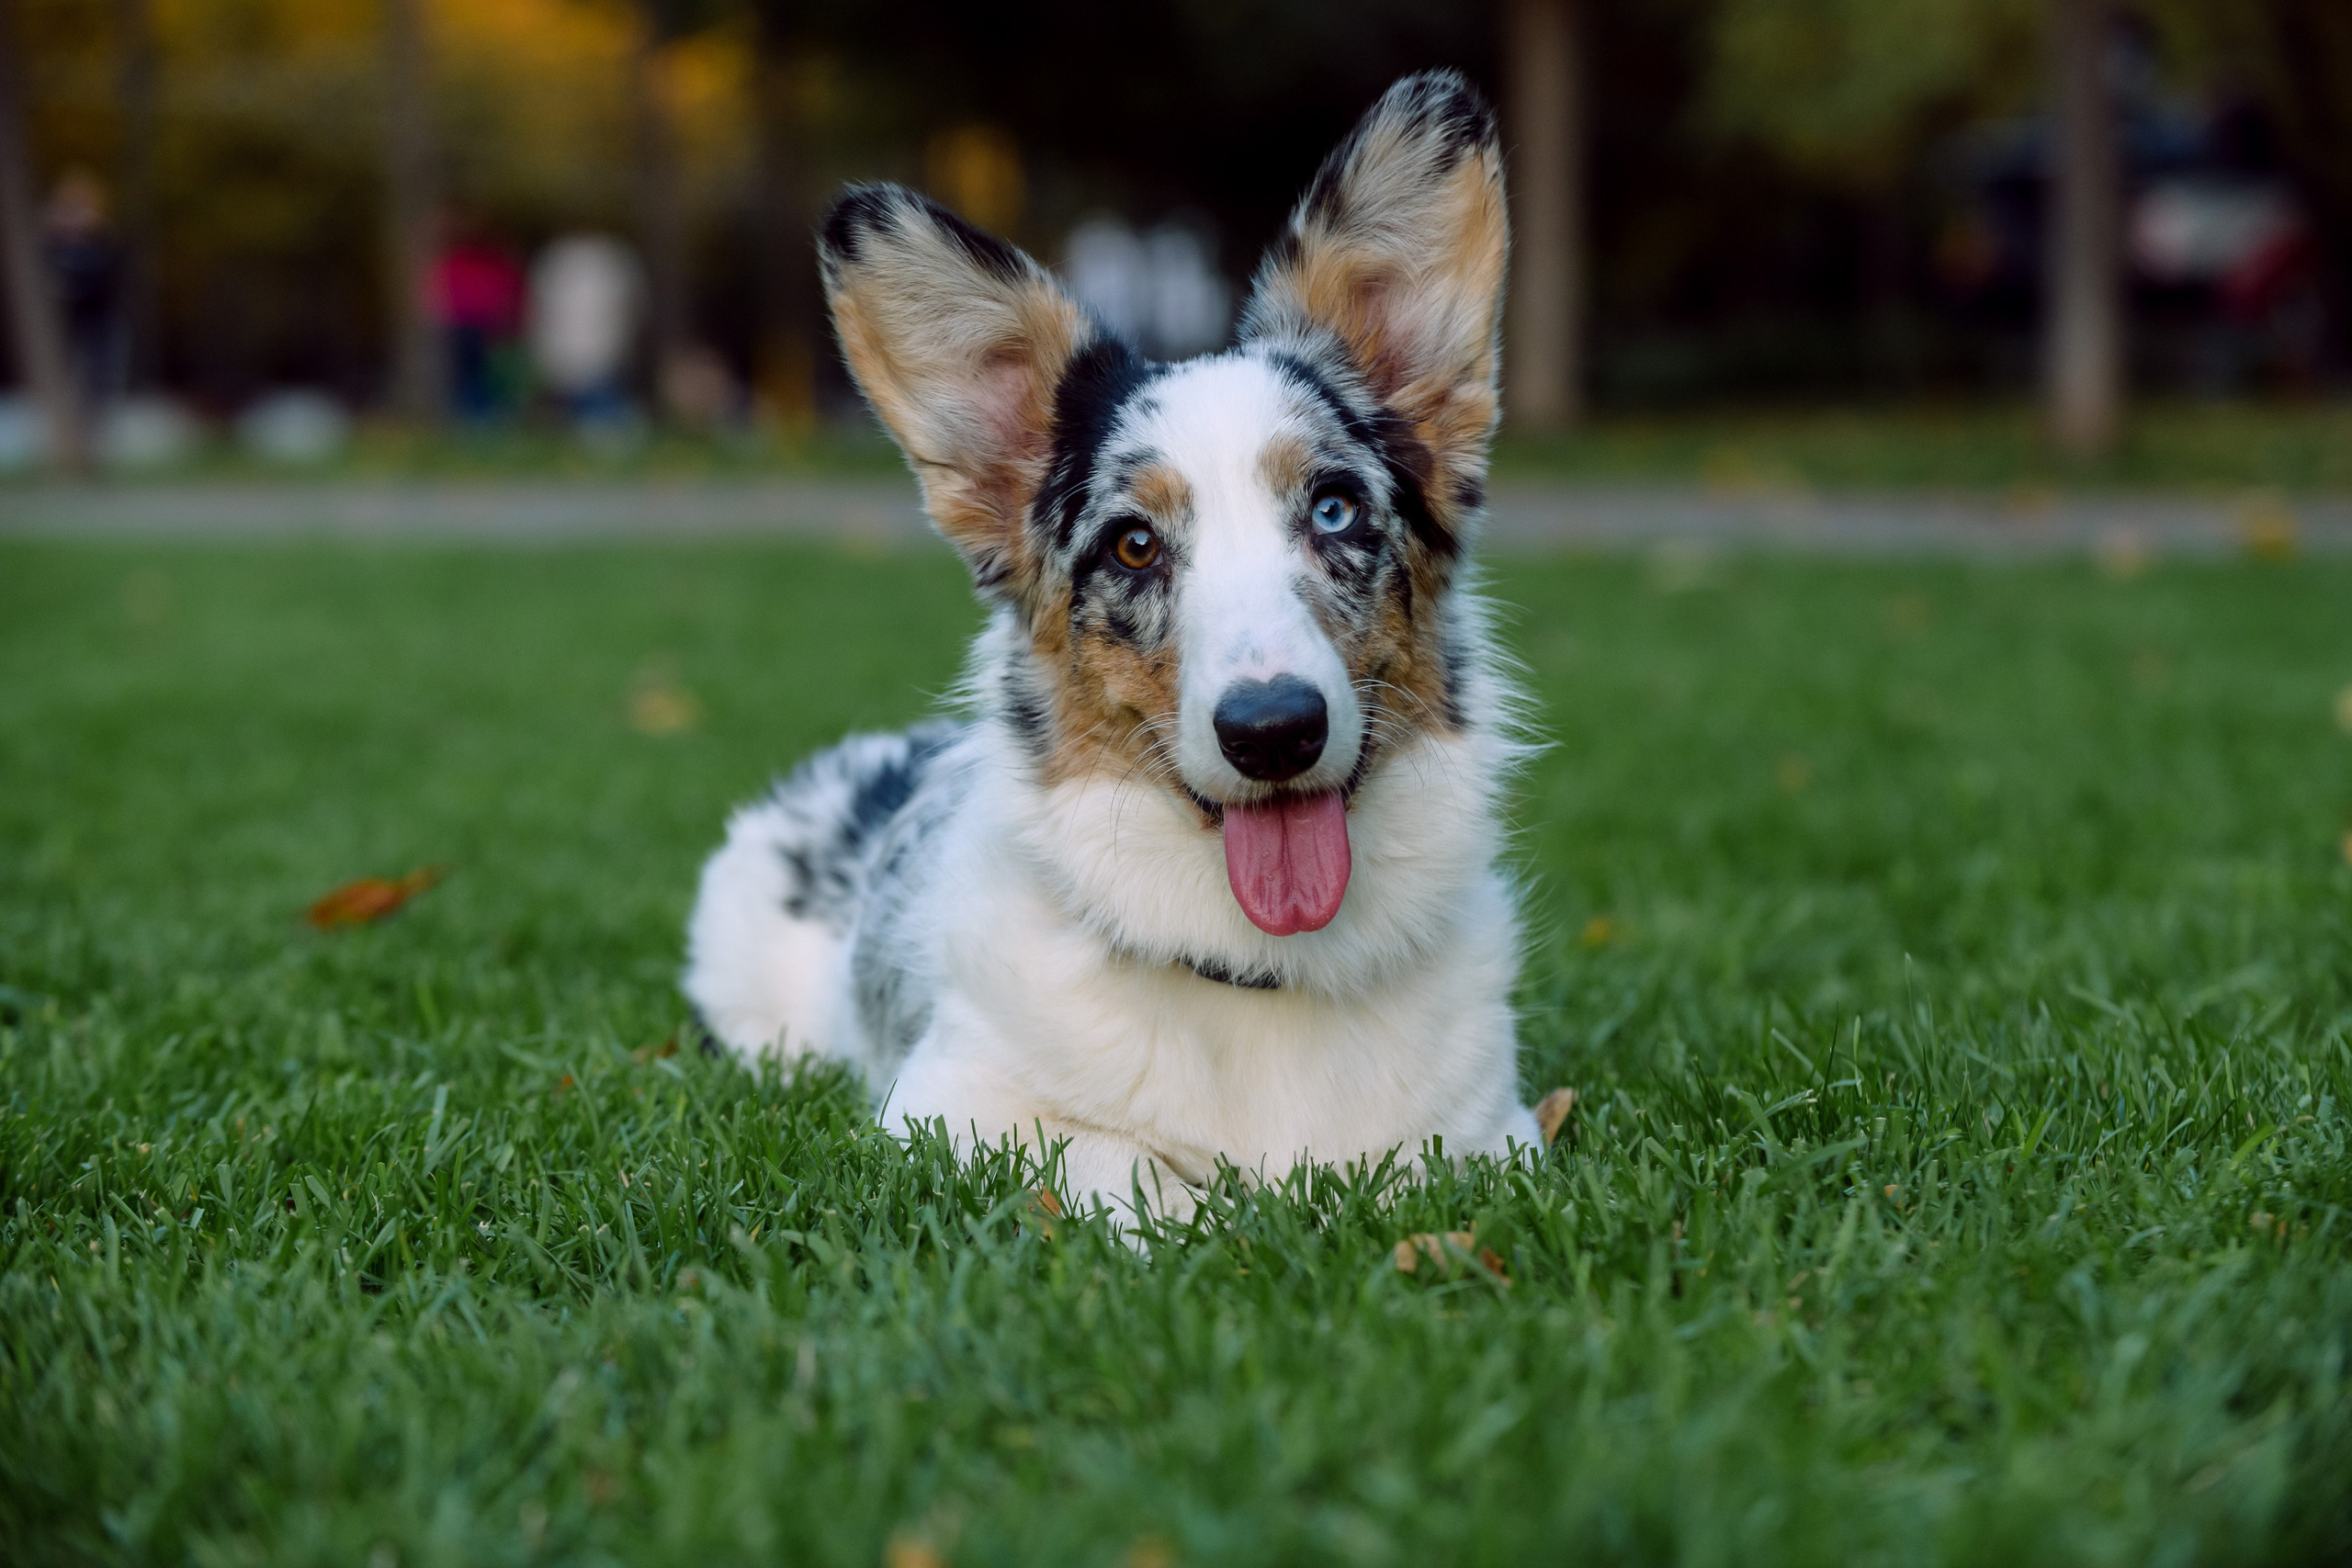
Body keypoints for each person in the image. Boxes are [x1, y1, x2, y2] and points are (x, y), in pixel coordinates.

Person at [527, 234, 642, 430]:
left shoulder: (614, 260)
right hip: (570, 352)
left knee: (594, 396)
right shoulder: (558, 258)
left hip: (597, 352)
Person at [43, 169, 126, 413]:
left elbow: (111, 281)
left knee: (98, 379)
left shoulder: (103, 240)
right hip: (64, 326)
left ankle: (94, 422)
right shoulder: (50, 244)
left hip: (97, 323)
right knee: (65, 376)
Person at [429, 219, 526, 422]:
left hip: (483, 325)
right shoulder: (459, 262)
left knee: (486, 375)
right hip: (465, 325)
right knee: (470, 375)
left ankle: (483, 418)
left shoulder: (483, 262)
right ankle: (474, 419)